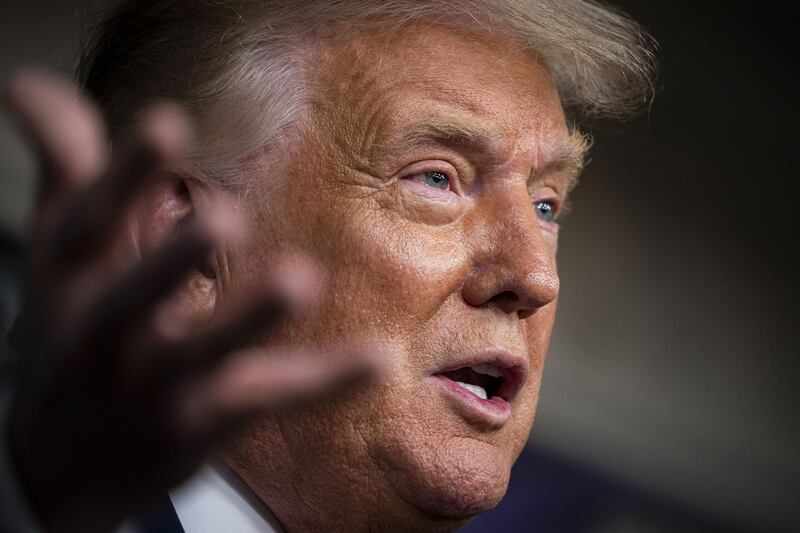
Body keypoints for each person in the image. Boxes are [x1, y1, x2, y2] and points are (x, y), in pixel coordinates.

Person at [0, 0, 655, 531]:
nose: (535, 277)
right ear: (189, 244)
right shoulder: (46, 495)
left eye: (546, 205)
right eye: (437, 178)